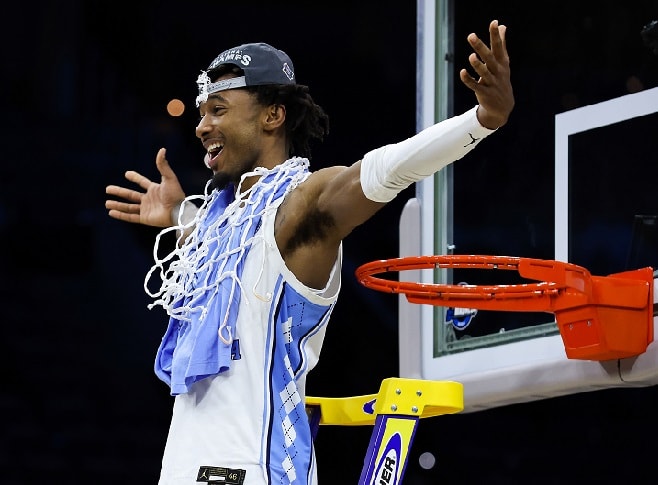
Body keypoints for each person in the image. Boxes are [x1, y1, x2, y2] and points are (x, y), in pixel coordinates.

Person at [105, 19, 514, 485]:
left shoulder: (298, 210)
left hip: (252, 471)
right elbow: (227, 256)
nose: (201, 126)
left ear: (272, 115)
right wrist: (182, 215)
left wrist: (480, 122)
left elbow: (383, 170)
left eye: (218, 109)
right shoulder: (220, 235)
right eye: (201, 112)